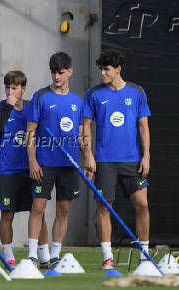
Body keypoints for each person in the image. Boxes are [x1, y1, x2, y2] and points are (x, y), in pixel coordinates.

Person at [83, 49, 151, 270]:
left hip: (132, 160)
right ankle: (107, 258)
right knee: (104, 207)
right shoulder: (94, 94)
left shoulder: (137, 92)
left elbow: (143, 126)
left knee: (142, 204)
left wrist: (146, 156)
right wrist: (88, 155)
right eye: (100, 69)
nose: (102, 73)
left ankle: (144, 256)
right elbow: (85, 127)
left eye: (106, 69)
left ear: (118, 69)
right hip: (104, 162)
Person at [0, 71, 50, 267]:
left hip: (31, 168)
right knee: (7, 214)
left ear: (23, 89)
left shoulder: (33, 107)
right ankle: (9, 256)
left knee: (39, 211)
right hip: (6, 169)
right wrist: (7, 107)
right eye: (7, 87)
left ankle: (45, 257)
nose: (10, 91)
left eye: (14, 87)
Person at [26, 52, 83, 268]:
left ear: (70, 72)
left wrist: (87, 159)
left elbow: (80, 135)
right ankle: (34, 255)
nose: (56, 76)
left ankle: (55, 254)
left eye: (60, 72)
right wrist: (33, 161)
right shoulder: (41, 96)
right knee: (38, 207)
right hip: (45, 162)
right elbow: (30, 132)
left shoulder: (77, 101)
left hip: (69, 164)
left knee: (64, 209)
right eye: (53, 72)